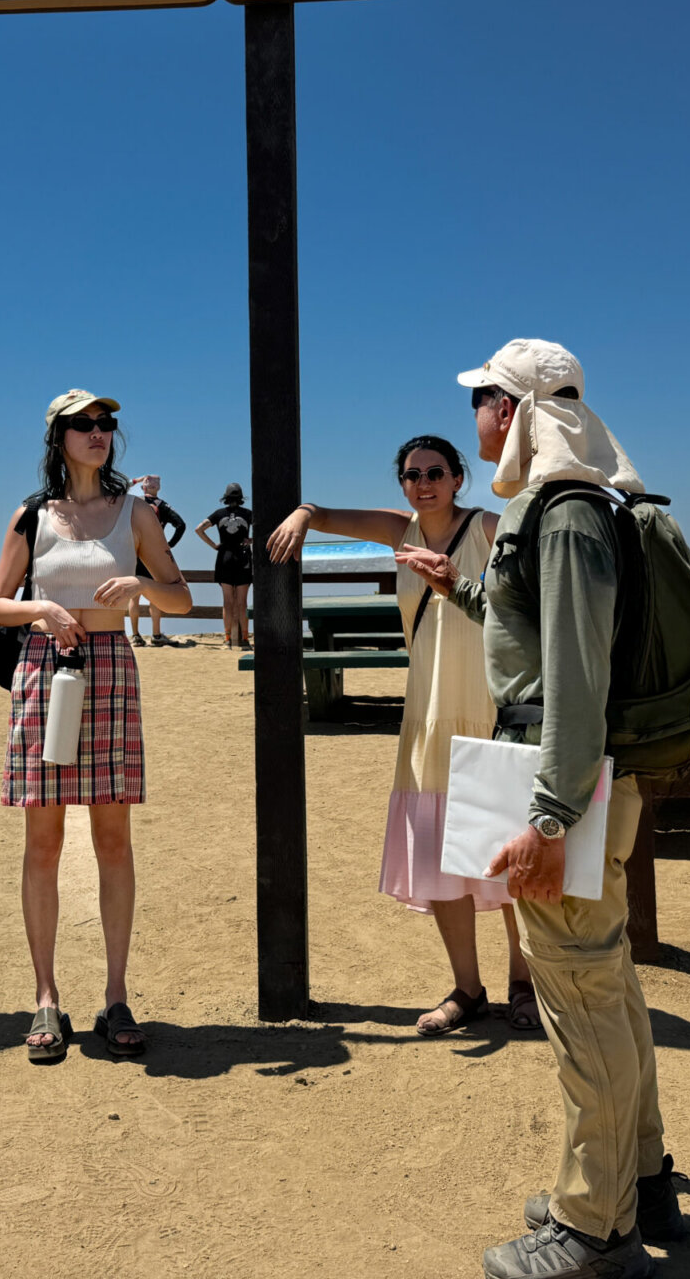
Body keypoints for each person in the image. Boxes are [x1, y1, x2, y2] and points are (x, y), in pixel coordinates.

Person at [394, 340, 683, 1279]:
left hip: (562, 781)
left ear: (511, 409)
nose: (475, 413)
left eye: (482, 397)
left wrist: (551, 819)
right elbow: (545, 633)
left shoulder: (558, 515)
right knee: (608, 979)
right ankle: (640, 1177)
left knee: (579, 995)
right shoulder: (582, 504)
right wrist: (467, 593)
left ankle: (595, 1226)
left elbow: (575, 678)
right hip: (582, 778)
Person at [266, 436, 541, 1036]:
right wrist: (305, 513)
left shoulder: (491, 529)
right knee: (444, 851)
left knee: (509, 852)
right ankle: (468, 989)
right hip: (429, 714)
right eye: (412, 475)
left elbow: (529, 609)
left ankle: (526, 982)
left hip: (489, 710)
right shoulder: (402, 530)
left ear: (458, 476)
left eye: (436, 472)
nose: (424, 483)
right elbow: (330, 515)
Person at [0, 391, 190, 1063]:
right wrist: (39, 607)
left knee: (112, 839)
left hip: (111, 668)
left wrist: (142, 591)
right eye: (85, 425)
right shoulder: (32, 515)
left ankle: (116, 994)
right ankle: (46, 997)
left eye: (107, 425)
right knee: (42, 841)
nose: (100, 434)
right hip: (45, 670)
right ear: (59, 436)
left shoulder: (136, 513)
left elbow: (181, 596)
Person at [125, 475, 187, 646]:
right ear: (157, 488)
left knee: (134, 597)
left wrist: (135, 481)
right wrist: (169, 545)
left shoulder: (133, 503)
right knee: (156, 596)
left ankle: (136, 636)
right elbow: (181, 525)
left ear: (143, 487)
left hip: (134, 552)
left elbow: (117, 490)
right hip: (154, 554)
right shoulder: (163, 506)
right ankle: (156, 635)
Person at [194, 484, 254, 648]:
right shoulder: (248, 514)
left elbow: (199, 529)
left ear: (225, 497)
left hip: (224, 556)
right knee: (242, 602)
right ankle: (245, 639)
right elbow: (266, 529)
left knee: (227, 601)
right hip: (243, 557)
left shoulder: (219, 514)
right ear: (241, 497)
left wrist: (213, 545)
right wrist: (251, 540)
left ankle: (227, 639)